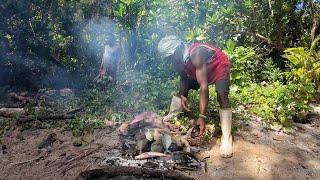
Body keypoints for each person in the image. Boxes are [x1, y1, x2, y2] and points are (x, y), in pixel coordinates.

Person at [158, 35, 233, 158]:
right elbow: (183, 78)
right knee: (183, 88)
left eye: (170, 57)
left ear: (177, 50)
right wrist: (183, 95)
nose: (169, 61)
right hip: (202, 70)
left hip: (218, 66)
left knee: (221, 95)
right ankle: (173, 114)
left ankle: (227, 137)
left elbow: (204, 86)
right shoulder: (178, 60)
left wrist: (202, 117)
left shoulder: (196, 54)